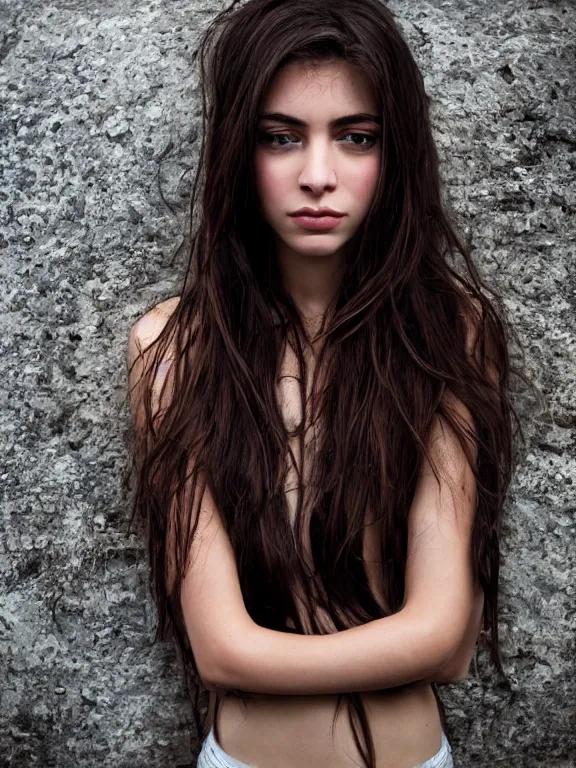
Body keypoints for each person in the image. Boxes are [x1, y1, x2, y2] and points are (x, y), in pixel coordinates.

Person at [126, 1, 526, 766]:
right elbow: (220, 652)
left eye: (357, 137)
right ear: (238, 154)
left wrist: (427, 642)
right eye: (280, 138)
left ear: (397, 150)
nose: (317, 176)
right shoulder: (173, 350)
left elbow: (447, 636)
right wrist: (413, 646)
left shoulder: (451, 334)